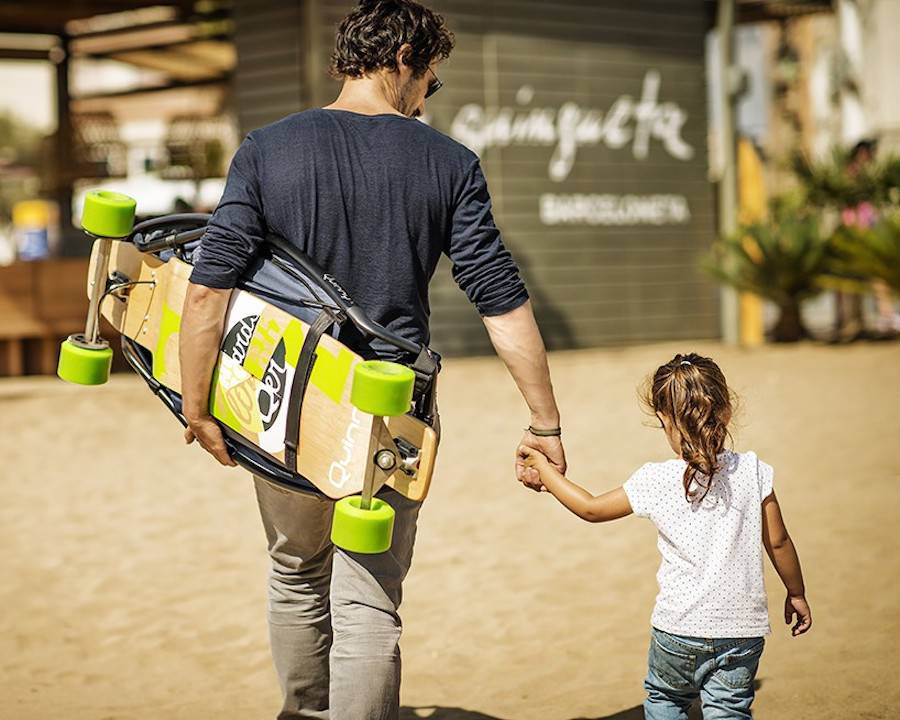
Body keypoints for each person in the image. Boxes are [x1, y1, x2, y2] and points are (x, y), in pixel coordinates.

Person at [176, 1, 565, 718]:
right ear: (406, 57)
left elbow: (207, 293)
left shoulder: (267, 147)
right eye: (432, 83)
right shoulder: (447, 162)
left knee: (295, 571)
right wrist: (544, 422)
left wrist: (196, 407)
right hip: (392, 407)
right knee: (370, 598)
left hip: (281, 393)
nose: (426, 99)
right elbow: (501, 302)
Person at [518, 352, 811, 720]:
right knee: (728, 710)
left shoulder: (655, 480)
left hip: (678, 628)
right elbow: (779, 542)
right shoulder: (753, 471)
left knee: (665, 700)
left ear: (663, 419)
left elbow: (591, 508)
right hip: (742, 631)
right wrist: (796, 593)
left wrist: (545, 470)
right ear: (726, 411)